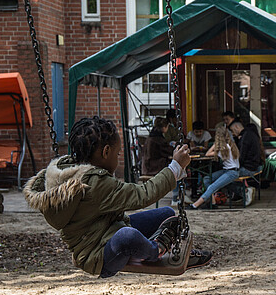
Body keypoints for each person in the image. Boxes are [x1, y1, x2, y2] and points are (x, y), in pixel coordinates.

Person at [23, 116, 213, 278]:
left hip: (106, 230)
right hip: (101, 257)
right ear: (106, 152)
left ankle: (173, 252)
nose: (118, 157)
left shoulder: (65, 171)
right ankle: (156, 250)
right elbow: (143, 194)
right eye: (117, 153)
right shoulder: (95, 183)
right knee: (127, 236)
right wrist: (175, 168)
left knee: (166, 213)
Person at [189, 123, 241, 208]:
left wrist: (215, 144)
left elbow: (207, 153)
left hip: (231, 173)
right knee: (206, 179)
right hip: (229, 170)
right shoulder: (231, 145)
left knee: (212, 187)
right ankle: (213, 203)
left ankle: (195, 205)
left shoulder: (223, 148)